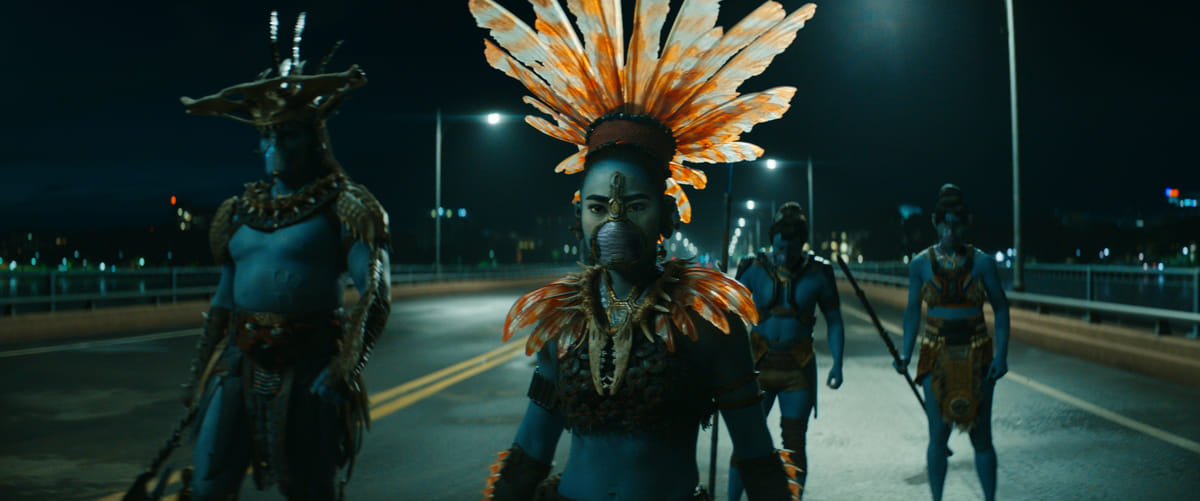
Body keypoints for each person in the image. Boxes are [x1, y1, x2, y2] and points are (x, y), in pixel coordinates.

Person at [469, 0, 819, 499]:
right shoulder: (562, 322)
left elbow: (756, 455)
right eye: (597, 207)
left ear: (668, 215)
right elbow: (532, 448)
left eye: (635, 205)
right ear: (577, 216)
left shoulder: (710, 323)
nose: (614, 222)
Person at [175, 11, 391, 500]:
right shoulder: (237, 212)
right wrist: (198, 373)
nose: (275, 143)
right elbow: (223, 301)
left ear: (313, 138)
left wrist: (345, 369)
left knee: (308, 488)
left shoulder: (347, 206)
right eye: (267, 134)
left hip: (310, 364)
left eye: (288, 133)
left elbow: (375, 296)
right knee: (209, 480)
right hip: (239, 360)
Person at [894, 183, 1009, 501]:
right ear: (936, 223)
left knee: (982, 437)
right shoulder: (920, 264)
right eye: (945, 224)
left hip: (978, 353)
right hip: (935, 354)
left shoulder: (982, 263)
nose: (951, 231)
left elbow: (1001, 308)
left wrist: (1001, 356)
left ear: (966, 223)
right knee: (937, 435)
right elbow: (912, 311)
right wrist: (906, 353)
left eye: (957, 224)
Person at [728, 202, 844, 500]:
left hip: (797, 370)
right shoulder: (752, 269)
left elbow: (834, 320)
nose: (786, 252)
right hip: (757, 366)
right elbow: (728, 317)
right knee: (746, 441)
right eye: (781, 245)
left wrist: (838, 364)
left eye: (793, 246)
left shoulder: (819, 273)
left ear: (803, 242)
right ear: (772, 240)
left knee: (794, 444)